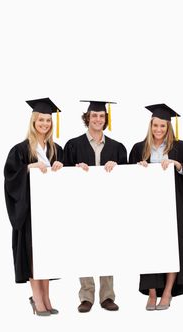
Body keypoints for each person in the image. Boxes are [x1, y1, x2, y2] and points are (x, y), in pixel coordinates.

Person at [129, 103, 183, 311]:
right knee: (149, 249)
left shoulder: (181, 147)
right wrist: (138, 169)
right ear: (150, 126)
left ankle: (167, 292)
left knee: (172, 247)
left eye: (163, 126)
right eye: (155, 126)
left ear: (169, 128)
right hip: (147, 209)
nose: (158, 130)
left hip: (173, 206)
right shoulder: (139, 148)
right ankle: (152, 293)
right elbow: (129, 179)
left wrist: (178, 166)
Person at [64, 100, 127, 312]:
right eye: (94, 116)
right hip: (81, 207)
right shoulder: (72, 145)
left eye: (101, 116)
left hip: (110, 208)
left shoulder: (118, 148)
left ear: (105, 119)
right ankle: (86, 296)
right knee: (84, 247)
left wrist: (117, 167)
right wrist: (74, 169)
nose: (98, 119)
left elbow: (128, 180)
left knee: (108, 247)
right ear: (87, 118)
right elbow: (63, 176)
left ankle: (107, 296)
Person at [4, 98, 64, 316]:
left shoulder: (56, 149)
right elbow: (10, 177)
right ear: (33, 121)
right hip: (29, 213)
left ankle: (47, 297)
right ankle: (37, 299)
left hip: (51, 213)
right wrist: (29, 167)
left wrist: (59, 165)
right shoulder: (20, 149)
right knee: (33, 255)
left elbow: (65, 179)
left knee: (48, 254)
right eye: (41, 120)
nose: (45, 124)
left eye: (48, 120)